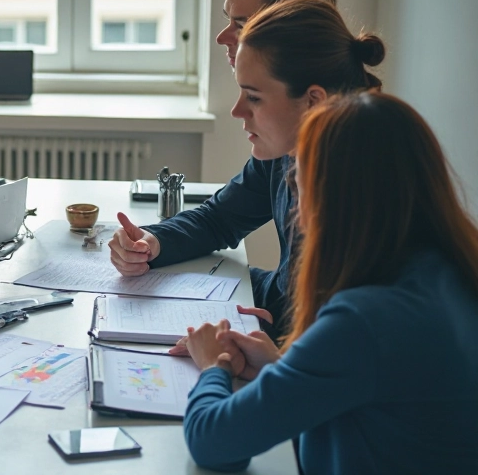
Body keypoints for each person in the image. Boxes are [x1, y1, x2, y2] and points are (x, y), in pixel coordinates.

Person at [181, 91, 478, 474]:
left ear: (331, 199)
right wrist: (284, 367)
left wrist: (212, 367)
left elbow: (214, 444)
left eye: (297, 180)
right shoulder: (450, 270)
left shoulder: (364, 320)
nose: (294, 207)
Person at [109, 0, 354, 339]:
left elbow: (329, 340)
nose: (224, 37)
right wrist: (153, 243)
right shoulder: (292, 130)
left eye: (242, 24)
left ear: (290, 24)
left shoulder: (349, 170)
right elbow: (223, 217)